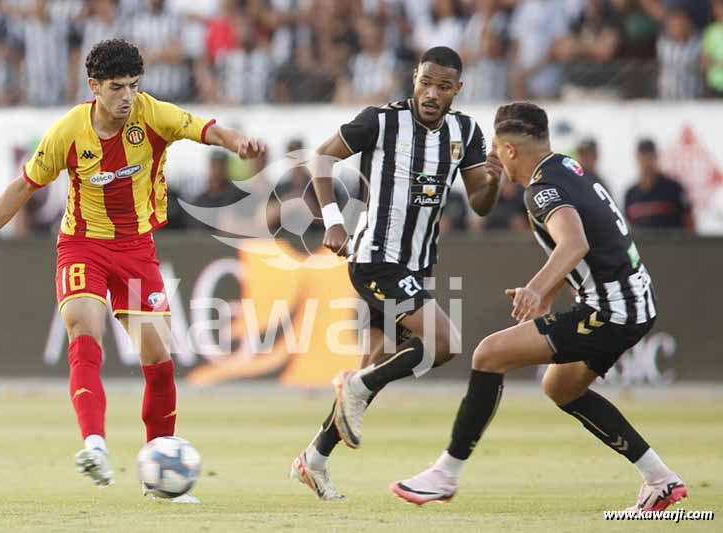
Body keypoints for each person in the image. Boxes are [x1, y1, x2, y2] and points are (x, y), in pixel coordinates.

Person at [0, 39, 264, 500]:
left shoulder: (151, 115)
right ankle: (94, 444)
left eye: (132, 86)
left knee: (160, 362)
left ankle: (157, 476)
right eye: (116, 87)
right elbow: (23, 186)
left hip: (137, 251)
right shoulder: (68, 131)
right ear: (94, 87)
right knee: (83, 331)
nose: (127, 96)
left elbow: (205, 129)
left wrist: (236, 142)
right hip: (83, 246)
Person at [390, 102, 687, 516]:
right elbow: (593, 244)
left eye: (497, 147)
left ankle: (445, 473)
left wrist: (536, 288)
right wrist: (551, 291)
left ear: (510, 150)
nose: (494, 156)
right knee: (560, 387)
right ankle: (660, 480)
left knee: (488, 355)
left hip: (611, 309)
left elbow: (575, 243)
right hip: (634, 300)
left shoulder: (540, 190)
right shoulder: (566, 168)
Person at [290, 46, 502, 500]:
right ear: (414, 79)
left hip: (418, 266)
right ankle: (355, 385)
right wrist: (331, 220)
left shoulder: (465, 132)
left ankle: (314, 459)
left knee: (374, 371)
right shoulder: (380, 121)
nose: (432, 93)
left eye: (443, 87)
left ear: (457, 91)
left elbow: (482, 203)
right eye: (426, 82)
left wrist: (496, 180)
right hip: (375, 260)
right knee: (442, 344)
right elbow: (321, 159)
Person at [624, 139, 694, 231]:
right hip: (642, 245)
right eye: (643, 157)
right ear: (637, 158)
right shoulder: (631, 194)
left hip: (671, 244)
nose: (646, 162)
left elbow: (689, 221)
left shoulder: (674, 189)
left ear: (656, 157)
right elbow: (628, 226)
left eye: (650, 157)